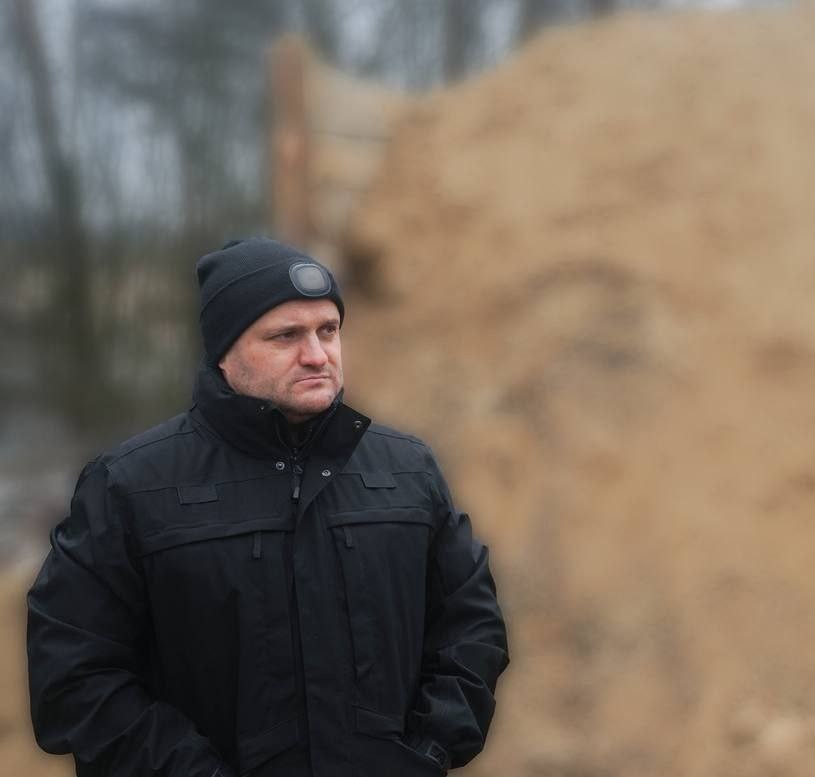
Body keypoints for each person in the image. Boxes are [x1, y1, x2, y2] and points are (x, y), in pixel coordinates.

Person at [27, 238, 509, 777]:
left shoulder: (408, 471)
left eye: (328, 330)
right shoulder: (128, 486)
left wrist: (427, 754)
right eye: (286, 336)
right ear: (224, 351)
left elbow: (471, 630)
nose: (317, 355)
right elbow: (75, 680)